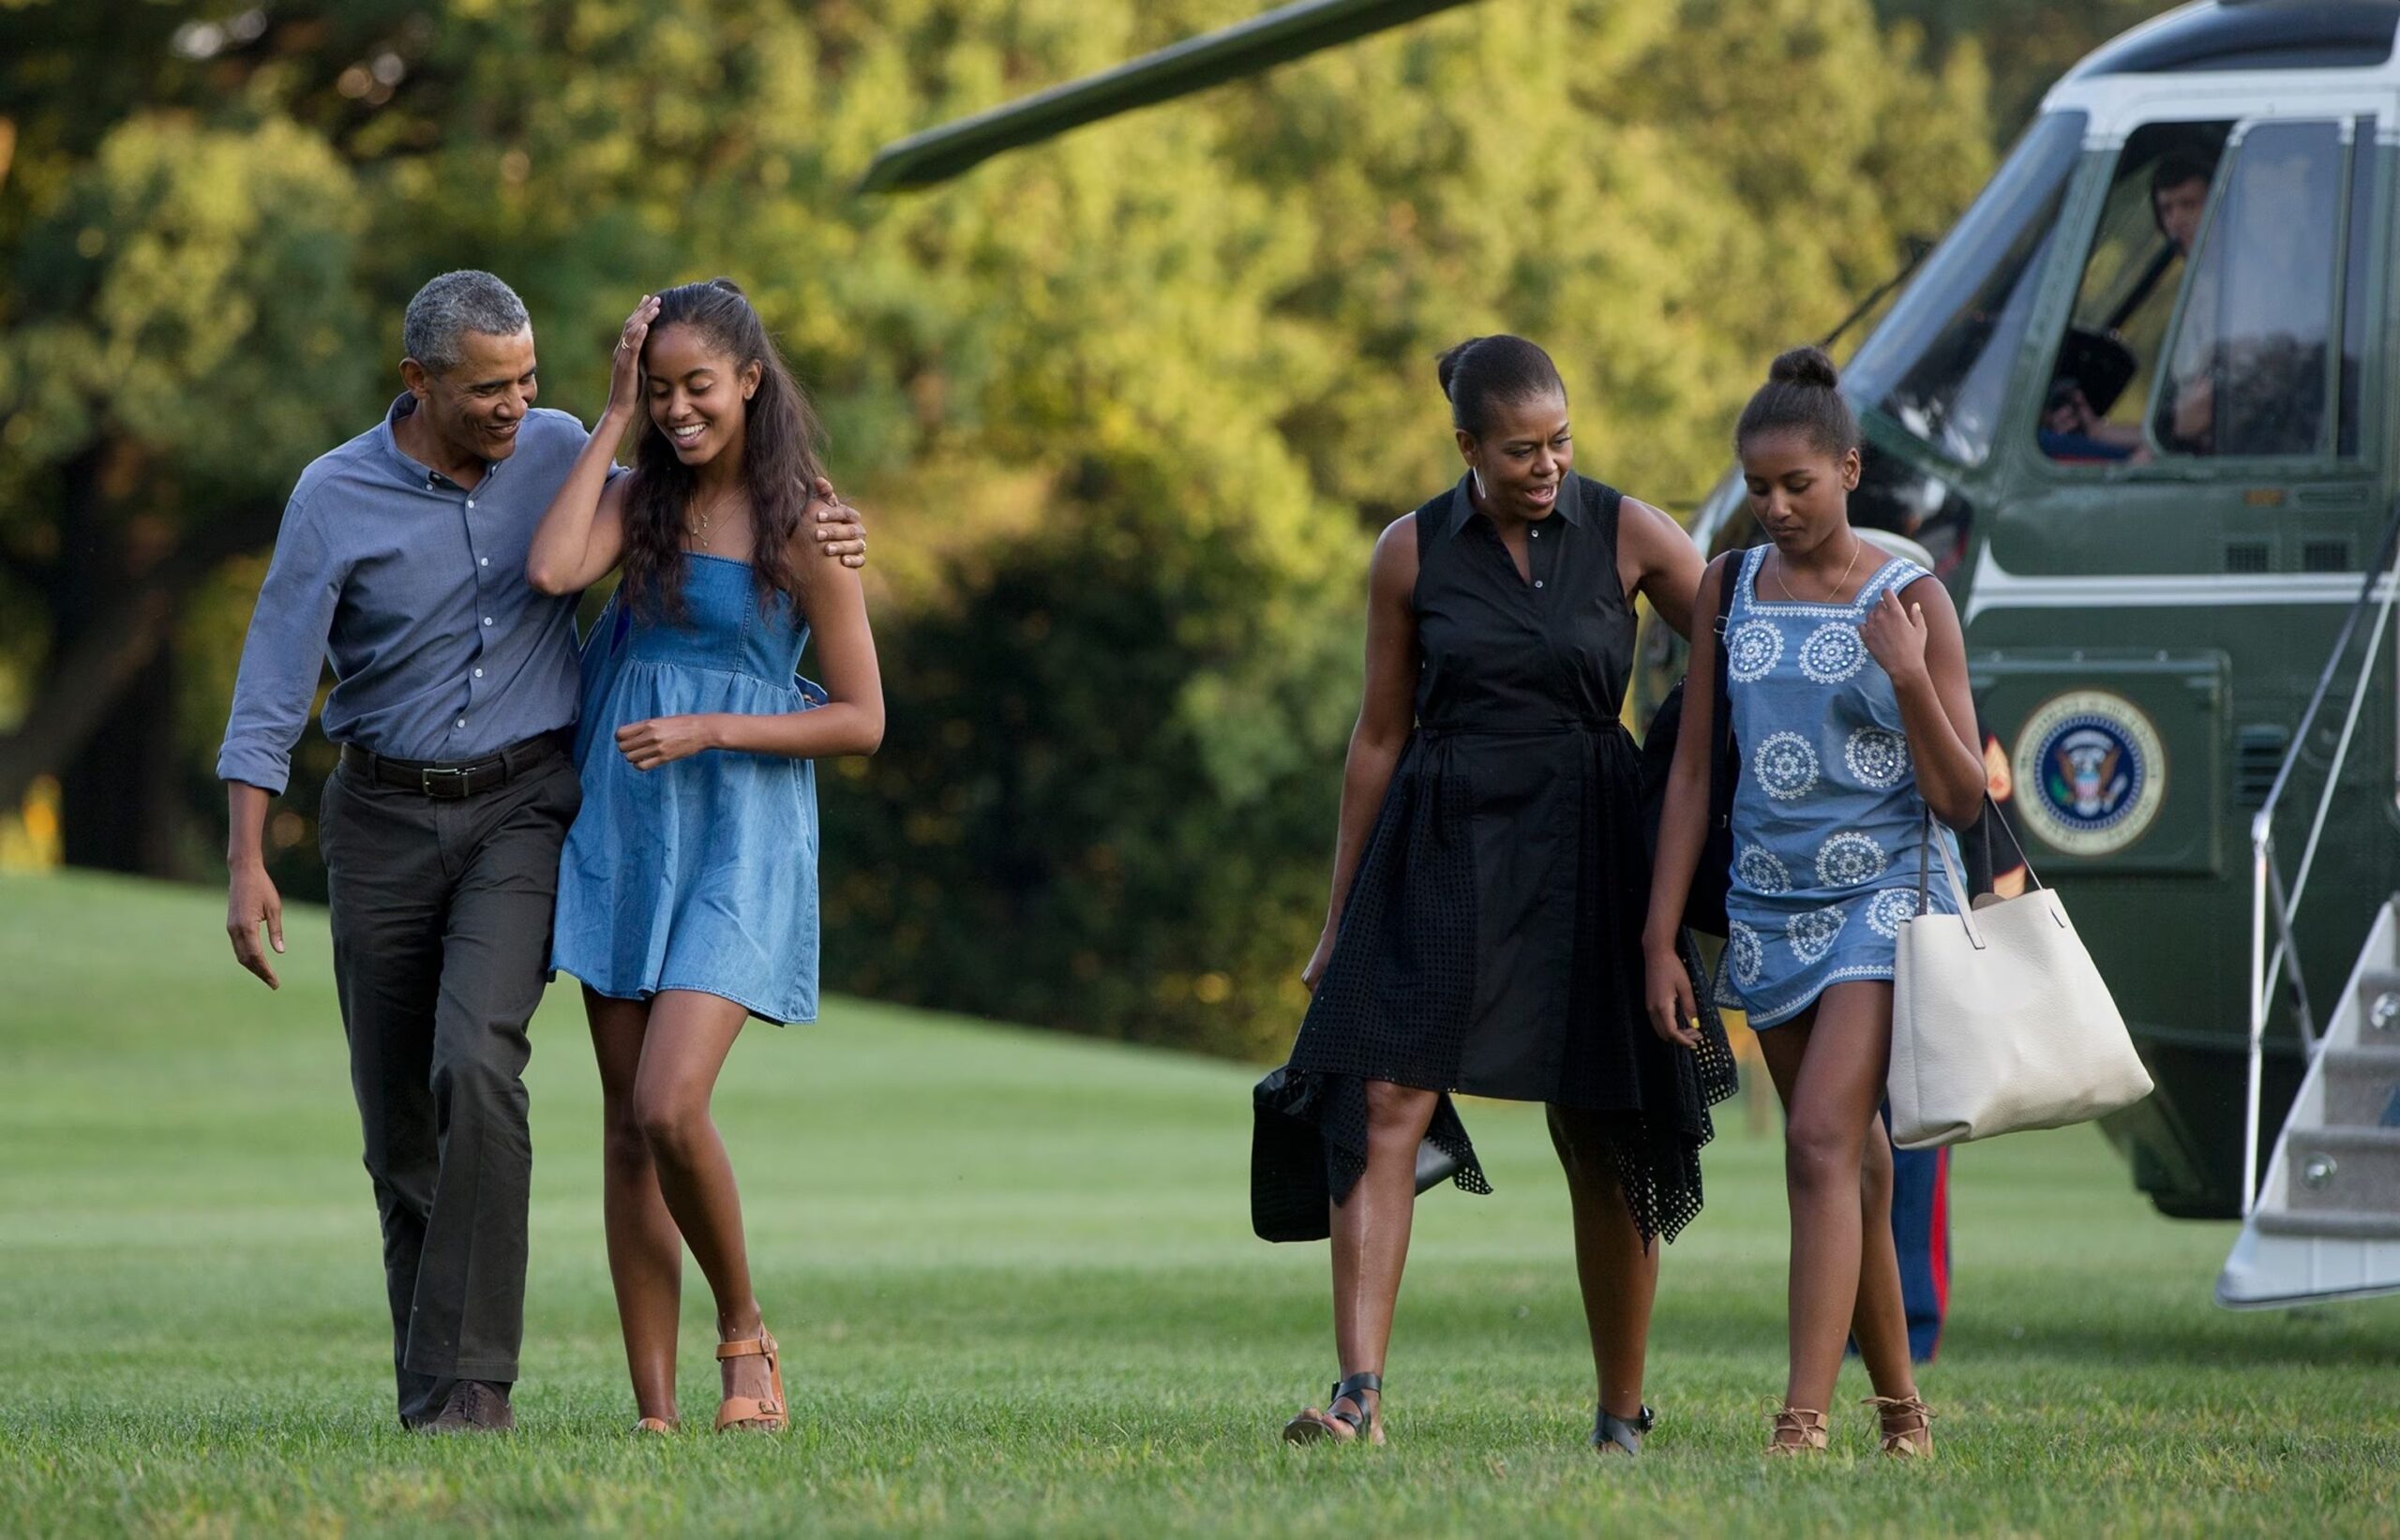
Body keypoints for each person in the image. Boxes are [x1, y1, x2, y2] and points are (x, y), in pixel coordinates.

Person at [218, 270, 864, 1434]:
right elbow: (538, 576)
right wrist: (246, 853)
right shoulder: (385, 490)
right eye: (489, 387)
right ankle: (555, 1400)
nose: (518, 404)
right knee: (473, 1120)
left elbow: (842, 682)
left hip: (607, 814)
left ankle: (614, 1362)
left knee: (555, 1079)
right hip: (487, 817)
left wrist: (724, 706)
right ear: (419, 383)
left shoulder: (686, 479)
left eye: (529, 379)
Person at [1256, 335, 1736, 1453]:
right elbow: (1377, 737)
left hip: (1592, 844)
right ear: (1466, 446)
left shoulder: (1629, 530)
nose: (1547, 464)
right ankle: (1357, 1396)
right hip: (1443, 837)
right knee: (1380, 1095)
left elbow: (1740, 633)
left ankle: (1621, 1416)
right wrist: (1339, 918)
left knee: (1606, 1125)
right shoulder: (1408, 553)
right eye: (1520, 449)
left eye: (1560, 440)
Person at [527, 279, 883, 1435]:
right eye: (662, 386)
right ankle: (653, 1412)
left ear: (749, 381)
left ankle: (745, 1334)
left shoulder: (805, 524)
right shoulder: (636, 499)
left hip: (741, 830)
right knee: (625, 1125)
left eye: (698, 387)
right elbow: (548, 570)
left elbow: (862, 718)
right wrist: (613, 415)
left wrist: (715, 725)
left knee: (671, 1101)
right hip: (627, 821)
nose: (682, 408)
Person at [1644, 346, 1983, 1458]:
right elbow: (1696, 774)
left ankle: (1801, 1418)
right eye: (1758, 486)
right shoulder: (1729, 587)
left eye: (1798, 484)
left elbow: (1956, 797)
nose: (1776, 505)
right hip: (1765, 906)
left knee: (1821, 1141)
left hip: (1883, 900)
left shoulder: (1911, 594)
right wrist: (1662, 935)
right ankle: (1903, 1413)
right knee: (1859, 1163)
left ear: (1848, 470)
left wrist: (1902, 670)